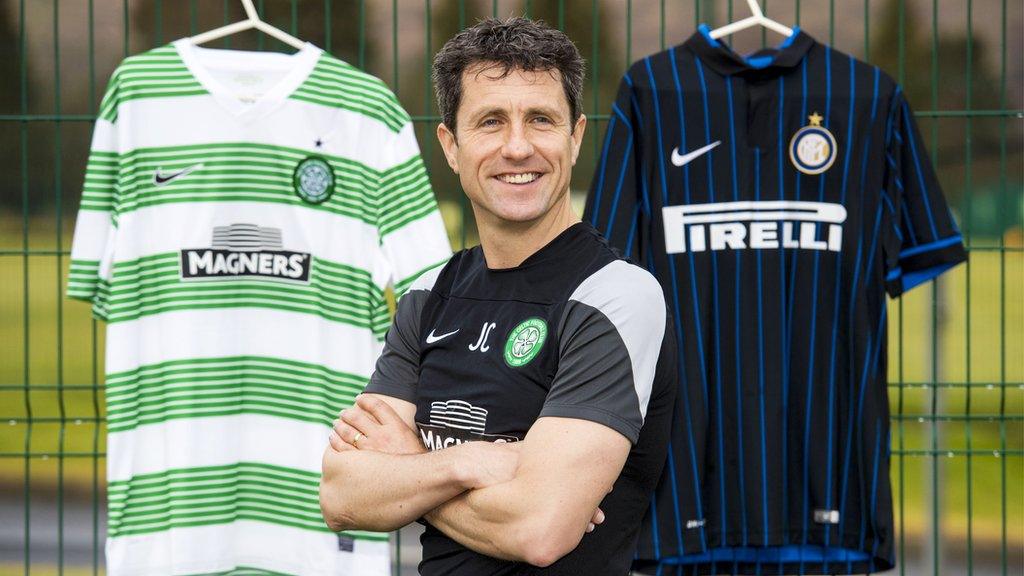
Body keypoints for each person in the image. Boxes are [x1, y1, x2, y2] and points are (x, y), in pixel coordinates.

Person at [319, 17, 677, 575]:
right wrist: (471, 463)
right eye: (490, 122)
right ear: (451, 145)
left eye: (541, 120)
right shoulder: (428, 296)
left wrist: (411, 467)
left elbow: (539, 529)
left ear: (576, 136)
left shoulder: (615, 297)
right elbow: (343, 495)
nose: (517, 146)